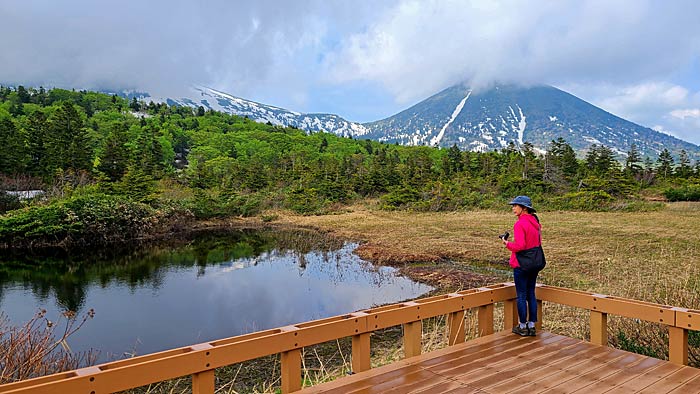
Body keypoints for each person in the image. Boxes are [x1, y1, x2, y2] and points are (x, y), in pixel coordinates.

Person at [501, 195, 541, 336]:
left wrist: (507, 244)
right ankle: (531, 326)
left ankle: (522, 327)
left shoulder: (519, 224)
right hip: (534, 263)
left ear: (524, 208)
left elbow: (520, 246)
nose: (513, 208)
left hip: (521, 264)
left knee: (521, 295)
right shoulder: (535, 222)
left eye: (515, 205)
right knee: (531, 293)